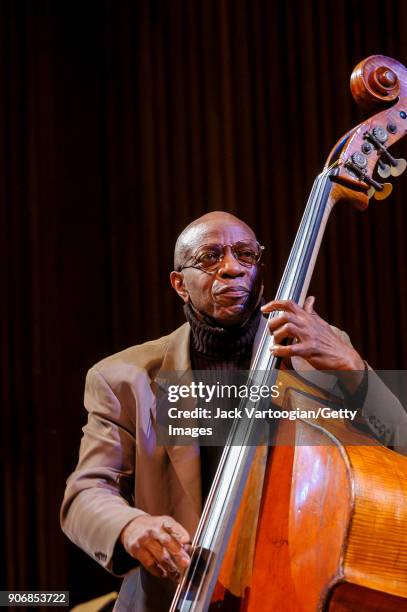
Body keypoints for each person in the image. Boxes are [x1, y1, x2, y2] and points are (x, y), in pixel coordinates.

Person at [61, 211, 407, 611]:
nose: (231, 269)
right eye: (210, 257)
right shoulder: (124, 377)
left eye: (246, 255)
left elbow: (398, 447)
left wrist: (355, 371)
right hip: (176, 597)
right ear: (179, 285)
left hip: (292, 591)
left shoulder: (319, 355)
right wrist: (130, 525)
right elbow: (85, 492)